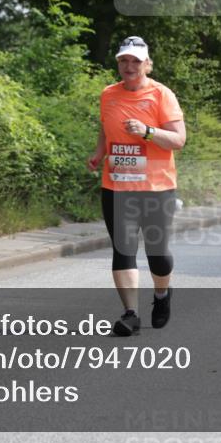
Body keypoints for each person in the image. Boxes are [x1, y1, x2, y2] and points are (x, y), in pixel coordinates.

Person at [87, 36, 186, 336]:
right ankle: (130, 314)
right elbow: (106, 128)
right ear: (118, 63)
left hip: (156, 187)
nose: (129, 66)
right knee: (123, 249)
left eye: (135, 61)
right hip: (116, 185)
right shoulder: (108, 94)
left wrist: (146, 132)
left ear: (147, 64)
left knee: (157, 253)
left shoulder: (161, 95)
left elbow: (178, 140)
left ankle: (162, 294)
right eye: (123, 60)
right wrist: (99, 152)